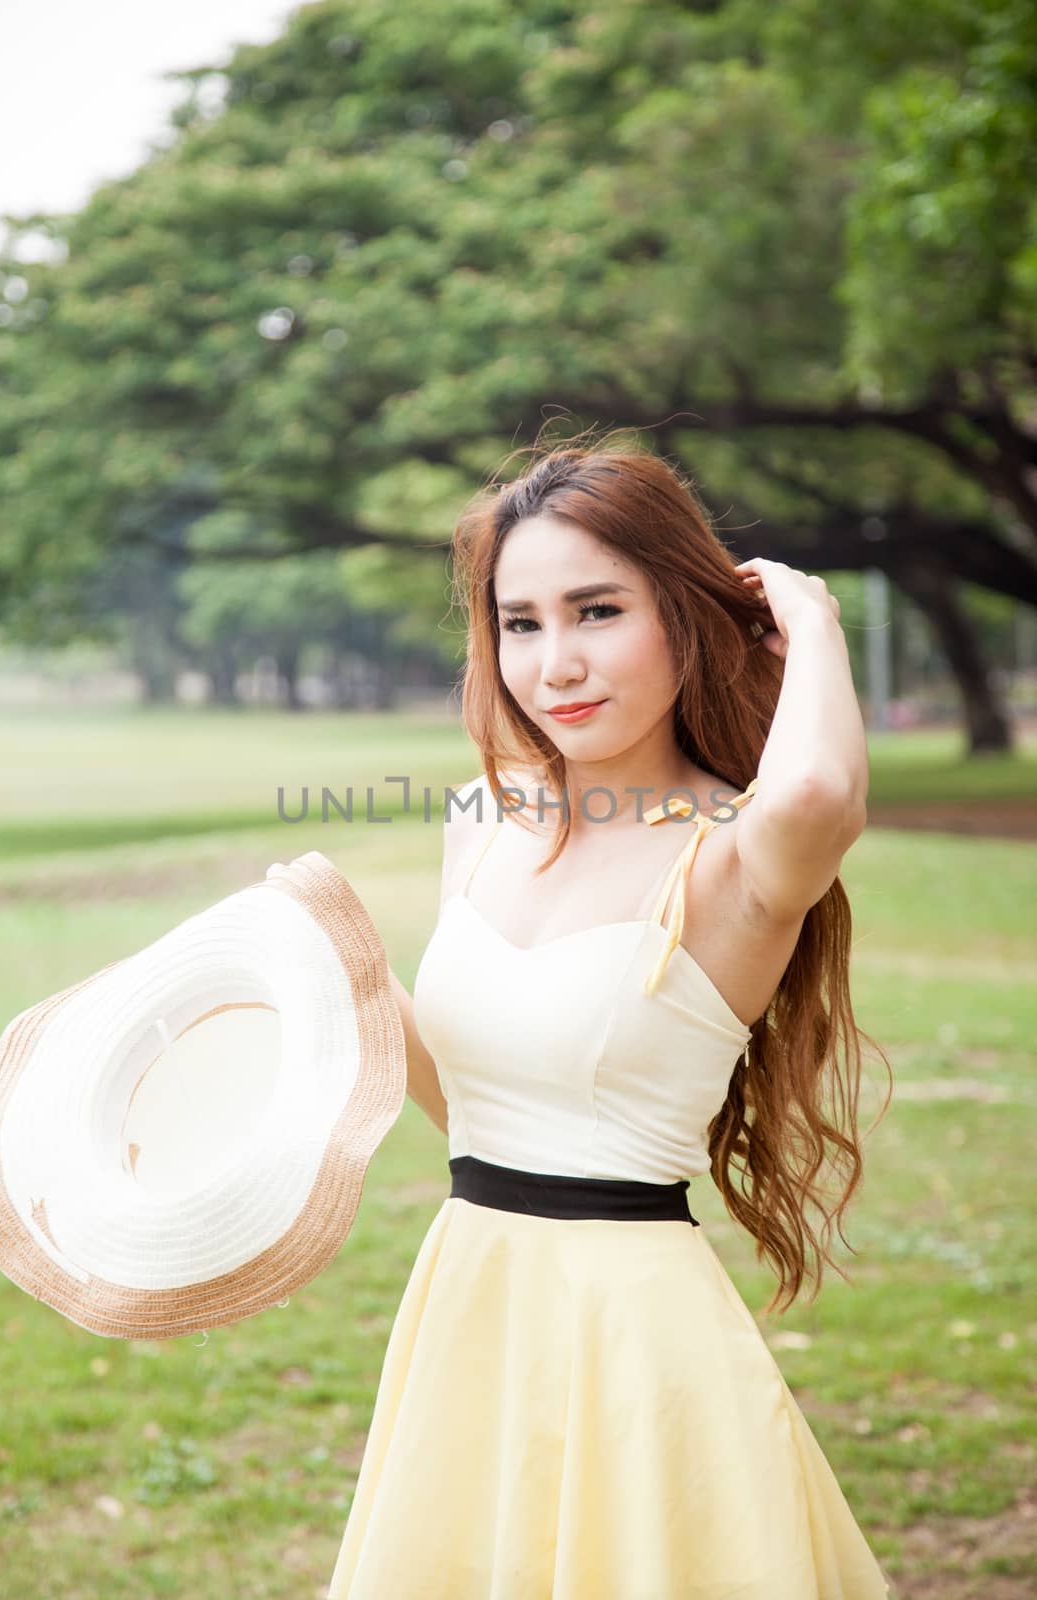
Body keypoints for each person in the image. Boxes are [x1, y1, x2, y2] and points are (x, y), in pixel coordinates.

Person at [328, 434, 894, 1599]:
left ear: (684, 616)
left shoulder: (738, 856)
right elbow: (474, 1107)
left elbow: (820, 788)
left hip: (631, 1335)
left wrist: (808, 616)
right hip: (470, 1299)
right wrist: (338, 970)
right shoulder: (480, 819)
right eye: (520, 622)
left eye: (597, 610)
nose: (556, 663)